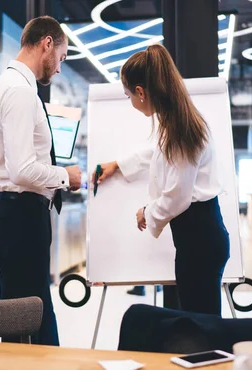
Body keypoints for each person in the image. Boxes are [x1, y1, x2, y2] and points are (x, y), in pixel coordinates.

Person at [93, 44, 230, 316]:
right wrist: (118, 165)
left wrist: (147, 212)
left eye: (128, 95)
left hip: (199, 237)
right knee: (200, 320)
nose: (130, 101)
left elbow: (178, 195)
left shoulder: (181, 129)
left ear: (141, 92)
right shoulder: (177, 121)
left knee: (202, 326)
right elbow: (156, 154)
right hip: (200, 235)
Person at [0, 16, 82, 345]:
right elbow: (21, 170)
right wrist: (65, 175)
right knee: (34, 318)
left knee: (19, 321)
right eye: (61, 58)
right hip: (24, 219)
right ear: (47, 43)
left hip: (6, 216)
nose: (59, 68)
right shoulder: (21, 93)